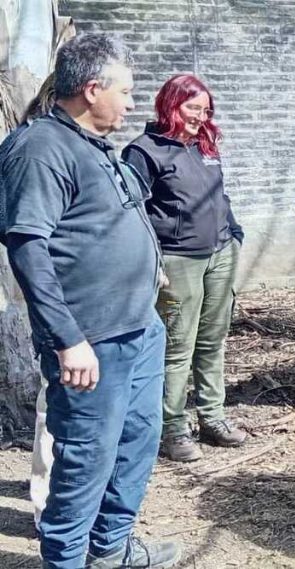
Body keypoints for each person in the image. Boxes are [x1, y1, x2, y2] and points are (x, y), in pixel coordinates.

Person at [0, 34, 181, 568]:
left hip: (138, 328)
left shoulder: (93, 144)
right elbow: (28, 248)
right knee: (86, 460)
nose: (132, 103)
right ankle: (66, 560)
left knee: (136, 442)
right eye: (125, 91)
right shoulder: (39, 149)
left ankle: (111, 548)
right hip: (91, 342)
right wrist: (68, 339)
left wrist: (148, 267)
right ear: (93, 89)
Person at [123, 74, 246, 463]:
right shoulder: (143, 152)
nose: (200, 117)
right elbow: (132, 214)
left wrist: (234, 233)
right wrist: (152, 260)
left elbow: (219, 196)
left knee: (212, 341)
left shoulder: (204, 145)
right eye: (193, 108)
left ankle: (212, 417)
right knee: (177, 348)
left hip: (220, 255)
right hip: (178, 261)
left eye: (206, 110)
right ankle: (172, 428)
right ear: (170, 104)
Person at [0, 72, 56, 531]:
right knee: (53, 404)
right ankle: (47, 505)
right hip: (55, 298)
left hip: (72, 298)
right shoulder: (31, 150)